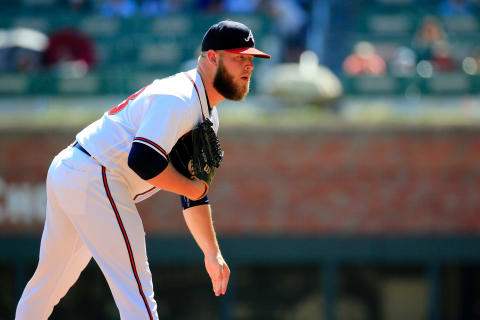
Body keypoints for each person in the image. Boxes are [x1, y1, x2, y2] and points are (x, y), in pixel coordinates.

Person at [15, 20, 270, 320]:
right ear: (212, 57)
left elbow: (192, 193)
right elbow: (144, 161)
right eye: (239, 57)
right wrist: (192, 187)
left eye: (251, 58)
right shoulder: (179, 98)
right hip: (97, 174)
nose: (249, 65)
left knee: (48, 285)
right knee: (136, 292)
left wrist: (211, 252)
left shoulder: (206, 115)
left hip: (75, 168)